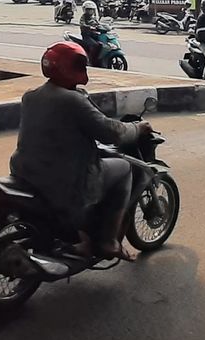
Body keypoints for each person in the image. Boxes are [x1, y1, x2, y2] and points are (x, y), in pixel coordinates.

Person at [10, 42, 150, 260]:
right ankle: (108, 241)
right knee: (123, 168)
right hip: (62, 180)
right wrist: (137, 128)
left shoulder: (31, 96)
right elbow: (111, 133)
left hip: (26, 173)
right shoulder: (72, 100)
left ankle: (83, 232)